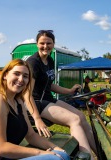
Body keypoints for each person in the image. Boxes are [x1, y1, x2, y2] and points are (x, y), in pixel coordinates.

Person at [0, 59, 70, 160]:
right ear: (5, 75)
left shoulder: (18, 102)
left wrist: (55, 147)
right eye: (16, 74)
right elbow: (0, 148)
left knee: (63, 155)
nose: (21, 79)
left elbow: (31, 135)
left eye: (25, 76)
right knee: (55, 159)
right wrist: (41, 153)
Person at [25, 30, 97, 159]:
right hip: (36, 102)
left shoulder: (50, 61)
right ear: (37, 44)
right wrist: (37, 119)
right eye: (42, 43)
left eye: (49, 43)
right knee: (74, 120)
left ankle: (100, 153)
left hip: (48, 99)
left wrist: (69, 91)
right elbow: (27, 94)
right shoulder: (33, 63)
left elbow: (49, 85)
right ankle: (88, 157)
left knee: (80, 116)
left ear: (53, 44)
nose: (45, 46)